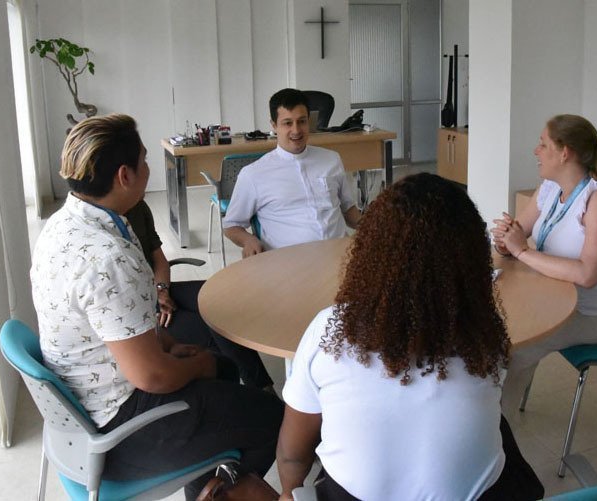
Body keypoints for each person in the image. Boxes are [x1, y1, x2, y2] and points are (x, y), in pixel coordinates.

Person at [30, 114, 283, 500]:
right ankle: (216, 489)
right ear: (124, 176)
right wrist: (198, 364)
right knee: (271, 415)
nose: (150, 169)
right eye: (144, 161)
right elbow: (153, 378)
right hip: (121, 429)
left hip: (87, 403)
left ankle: (212, 479)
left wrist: (164, 342)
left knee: (225, 371)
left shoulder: (64, 225)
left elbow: (115, 325)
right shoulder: (107, 257)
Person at [276, 173, 543, 501]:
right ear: (471, 260)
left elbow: (292, 455)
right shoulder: (482, 336)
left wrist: (289, 493)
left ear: (370, 254)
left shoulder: (329, 329)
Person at [491, 114, 597, 416]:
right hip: (555, 299)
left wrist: (520, 251)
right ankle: (486, 417)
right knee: (493, 326)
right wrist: (505, 241)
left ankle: (496, 436)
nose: (536, 151)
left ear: (565, 153)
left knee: (512, 348)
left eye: (542, 144)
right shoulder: (549, 188)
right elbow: (519, 235)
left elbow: (587, 274)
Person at [124, 199, 275, 390]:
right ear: (124, 176)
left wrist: (161, 290)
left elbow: (159, 258)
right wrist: (150, 304)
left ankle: (260, 388)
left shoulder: (138, 206)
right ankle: (252, 392)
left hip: (157, 291)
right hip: (134, 311)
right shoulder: (98, 238)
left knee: (219, 299)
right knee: (215, 329)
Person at [223, 88, 361, 257]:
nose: (296, 131)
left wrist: (375, 227)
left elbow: (349, 210)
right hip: (290, 264)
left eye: (302, 121)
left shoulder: (331, 160)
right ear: (274, 125)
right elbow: (231, 225)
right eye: (287, 123)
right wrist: (249, 240)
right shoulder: (253, 174)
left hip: (340, 255)